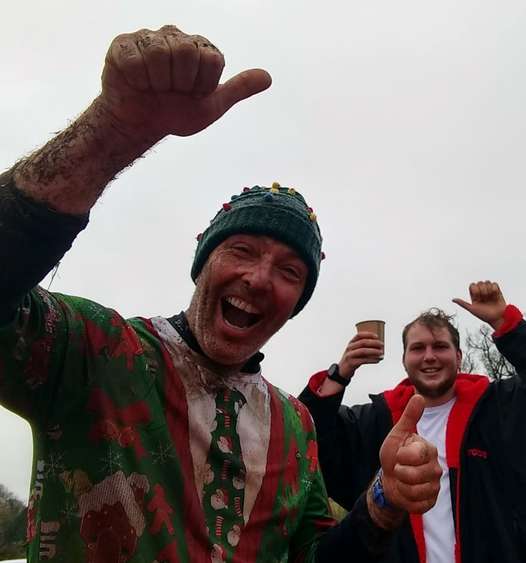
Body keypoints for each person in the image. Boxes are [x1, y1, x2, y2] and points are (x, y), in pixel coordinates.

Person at [0, 25, 443, 563]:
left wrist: (384, 501)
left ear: (297, 303)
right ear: (201, 263)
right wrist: (112, 132)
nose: (259, 279)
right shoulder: (93, 350)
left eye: (289, 270)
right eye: (241, 250)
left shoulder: (294, 423)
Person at [299, 281, 526, 562]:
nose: (430, 356)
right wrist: (340, 373)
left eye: (440, 347)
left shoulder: (506, 406)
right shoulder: (375, 421)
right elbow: (306, 439)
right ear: (404, 360)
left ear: (458, 358)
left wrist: (506, 321)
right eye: (418, 348)